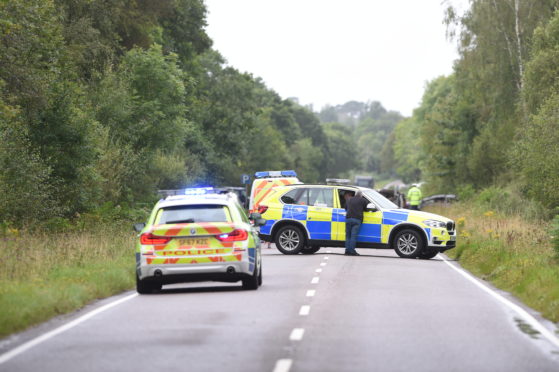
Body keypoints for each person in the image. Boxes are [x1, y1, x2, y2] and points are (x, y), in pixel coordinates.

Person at [344, 190, 368, 256]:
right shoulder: (363, 200)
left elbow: (346, 208)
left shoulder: (349, 199)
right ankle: (352, 251)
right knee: (353, 236)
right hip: (357, 219)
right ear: (361, 195)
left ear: (355, 194)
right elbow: (366, 209)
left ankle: (347, 251)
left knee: (348, 236)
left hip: (348, 218)